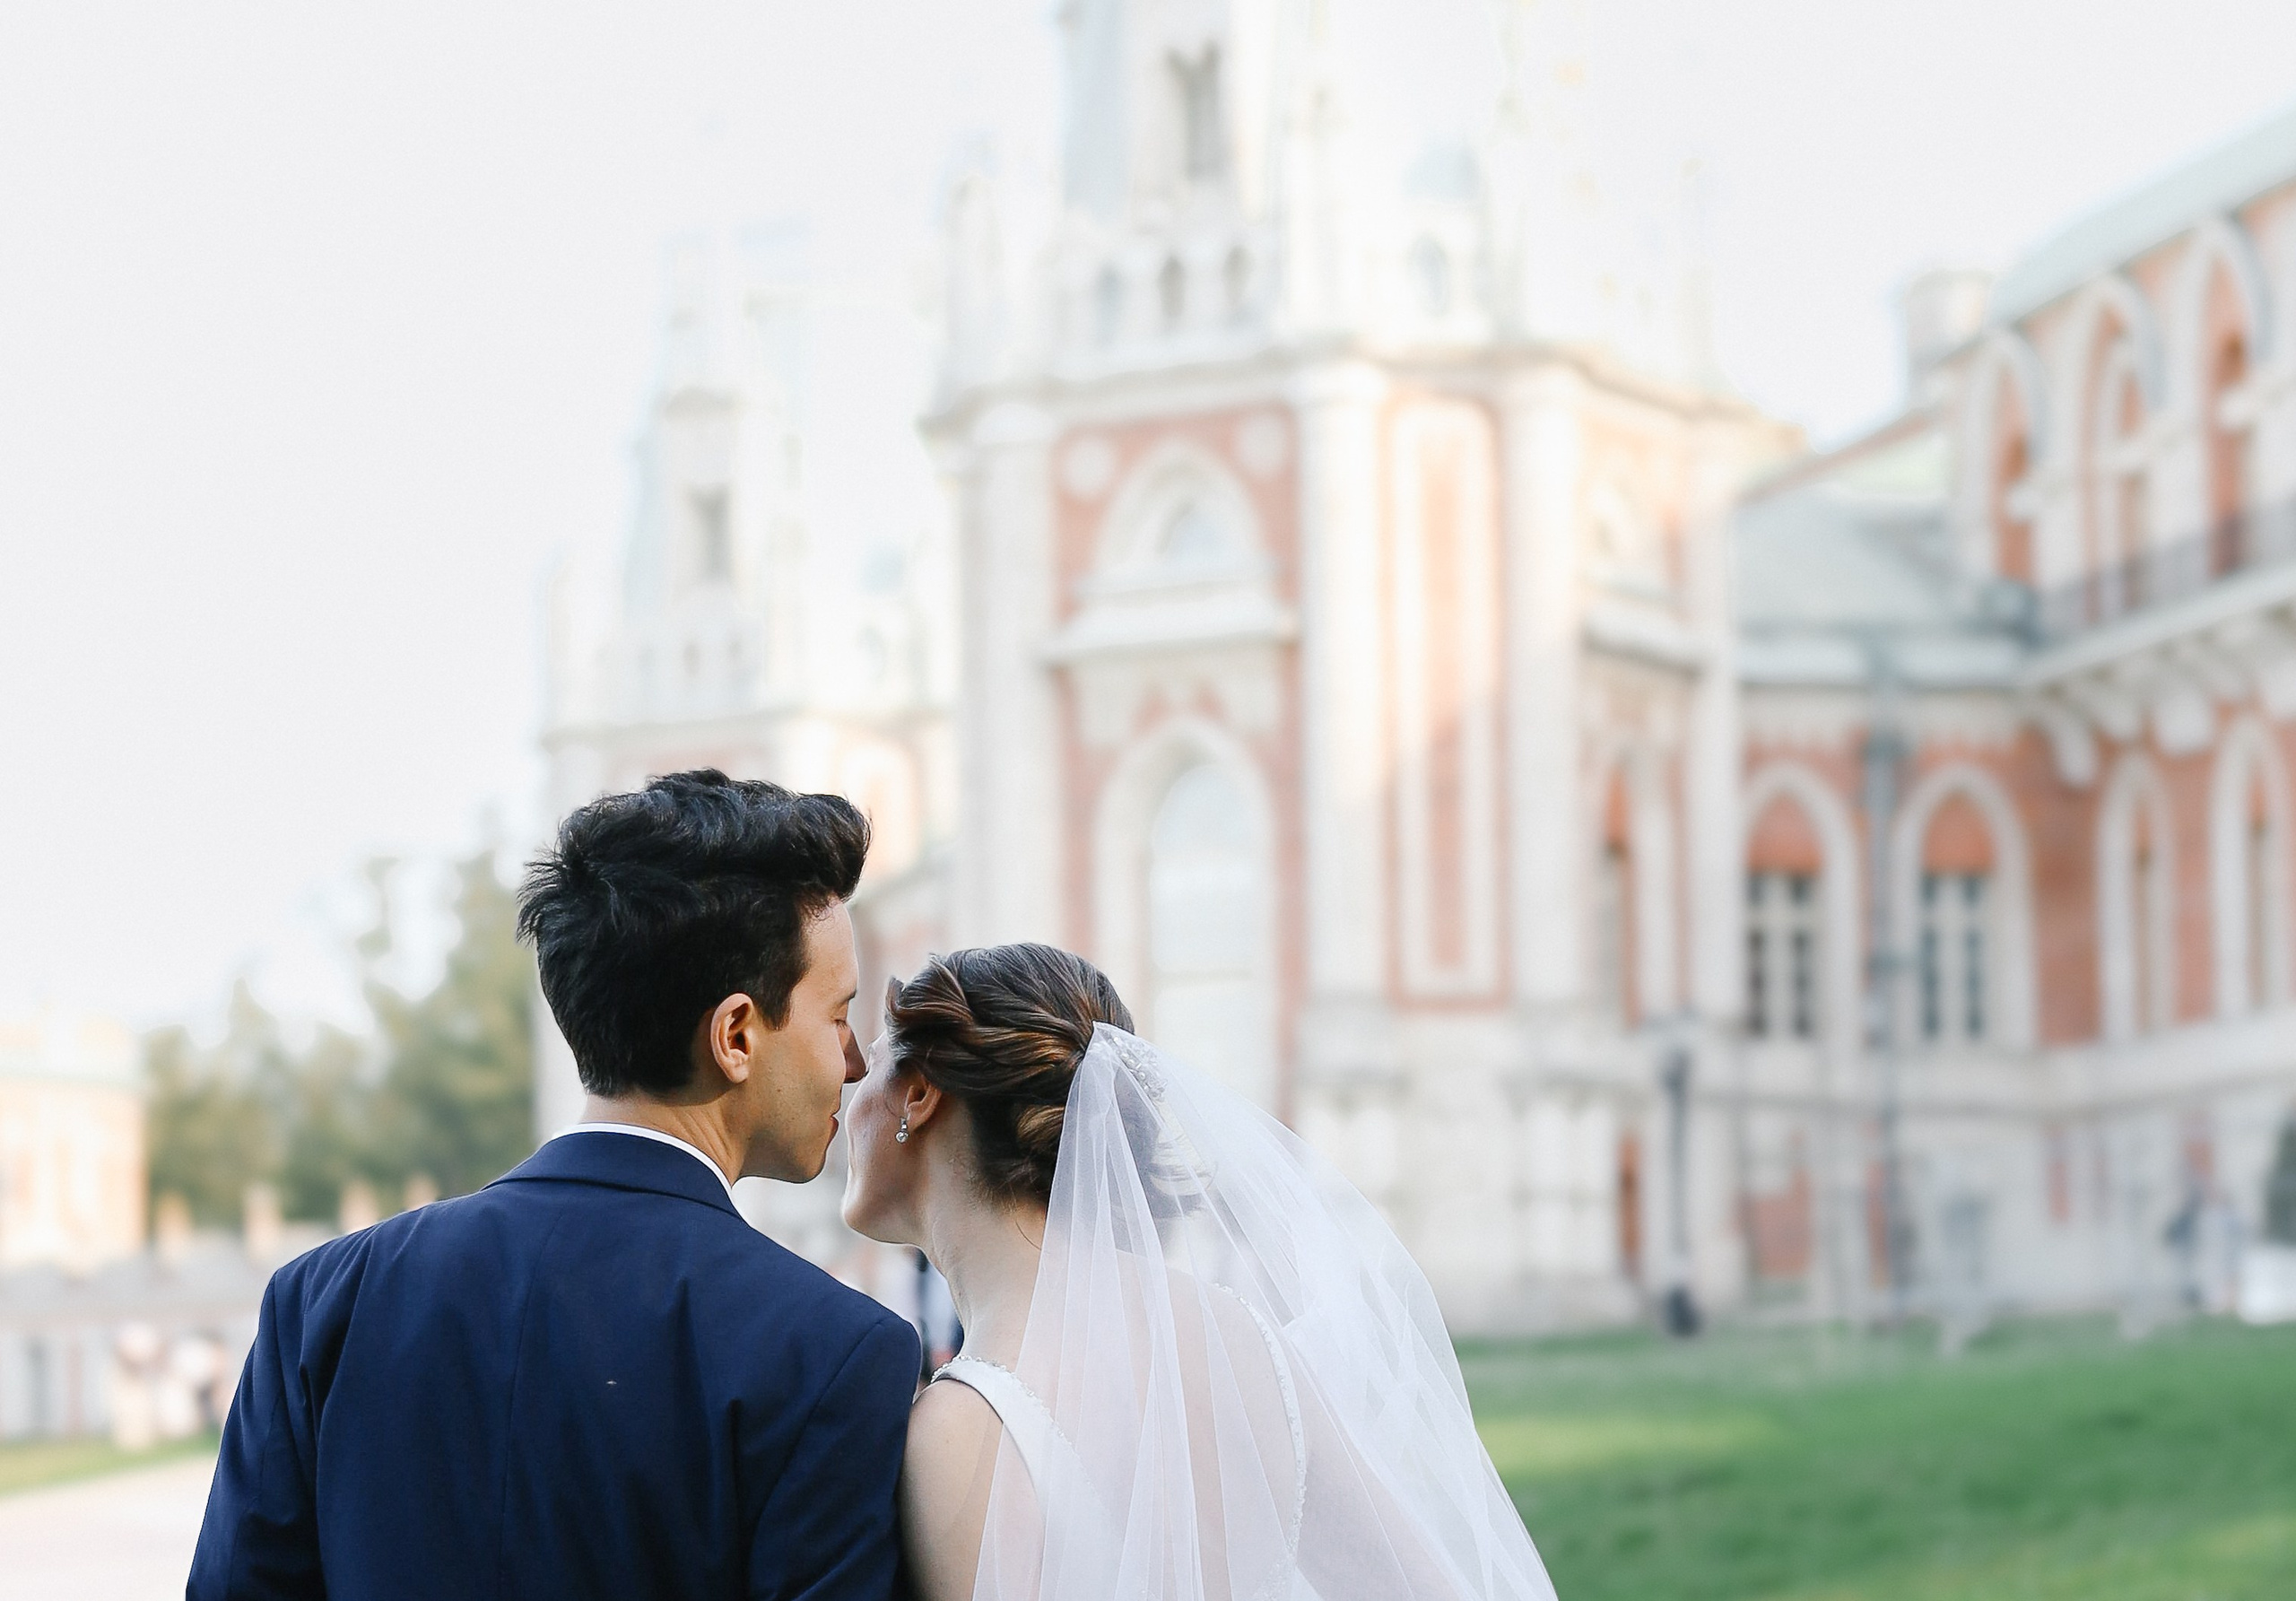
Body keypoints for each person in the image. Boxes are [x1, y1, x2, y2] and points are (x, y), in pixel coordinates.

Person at [188, 770, 920, 1601]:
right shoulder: (830, 1354)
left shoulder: (326, 1300)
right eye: (838, 1015)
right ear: (736, 1036)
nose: (854, 1060)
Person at [842, 944, 1556, 1601]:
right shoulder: (1240, 1341)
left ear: (919, 1094)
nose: (850, 1092)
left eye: (872, 1063)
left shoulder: (960, 1433)